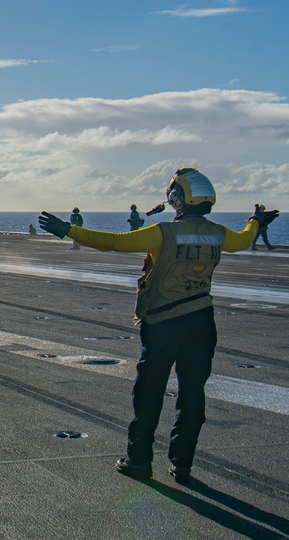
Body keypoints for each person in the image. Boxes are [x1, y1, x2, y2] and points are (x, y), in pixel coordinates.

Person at [38, 168, 270, 484]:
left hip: (162, 321)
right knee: (192, 395)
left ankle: (139, 461)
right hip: (201, 320)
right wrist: (256, 221)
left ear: (181, 199)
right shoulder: (218, 233)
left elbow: (115, 243)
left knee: (149, 393)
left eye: (173, 194)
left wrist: (69, 231)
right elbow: (244, 241)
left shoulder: (164, 233)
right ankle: (183, 465)